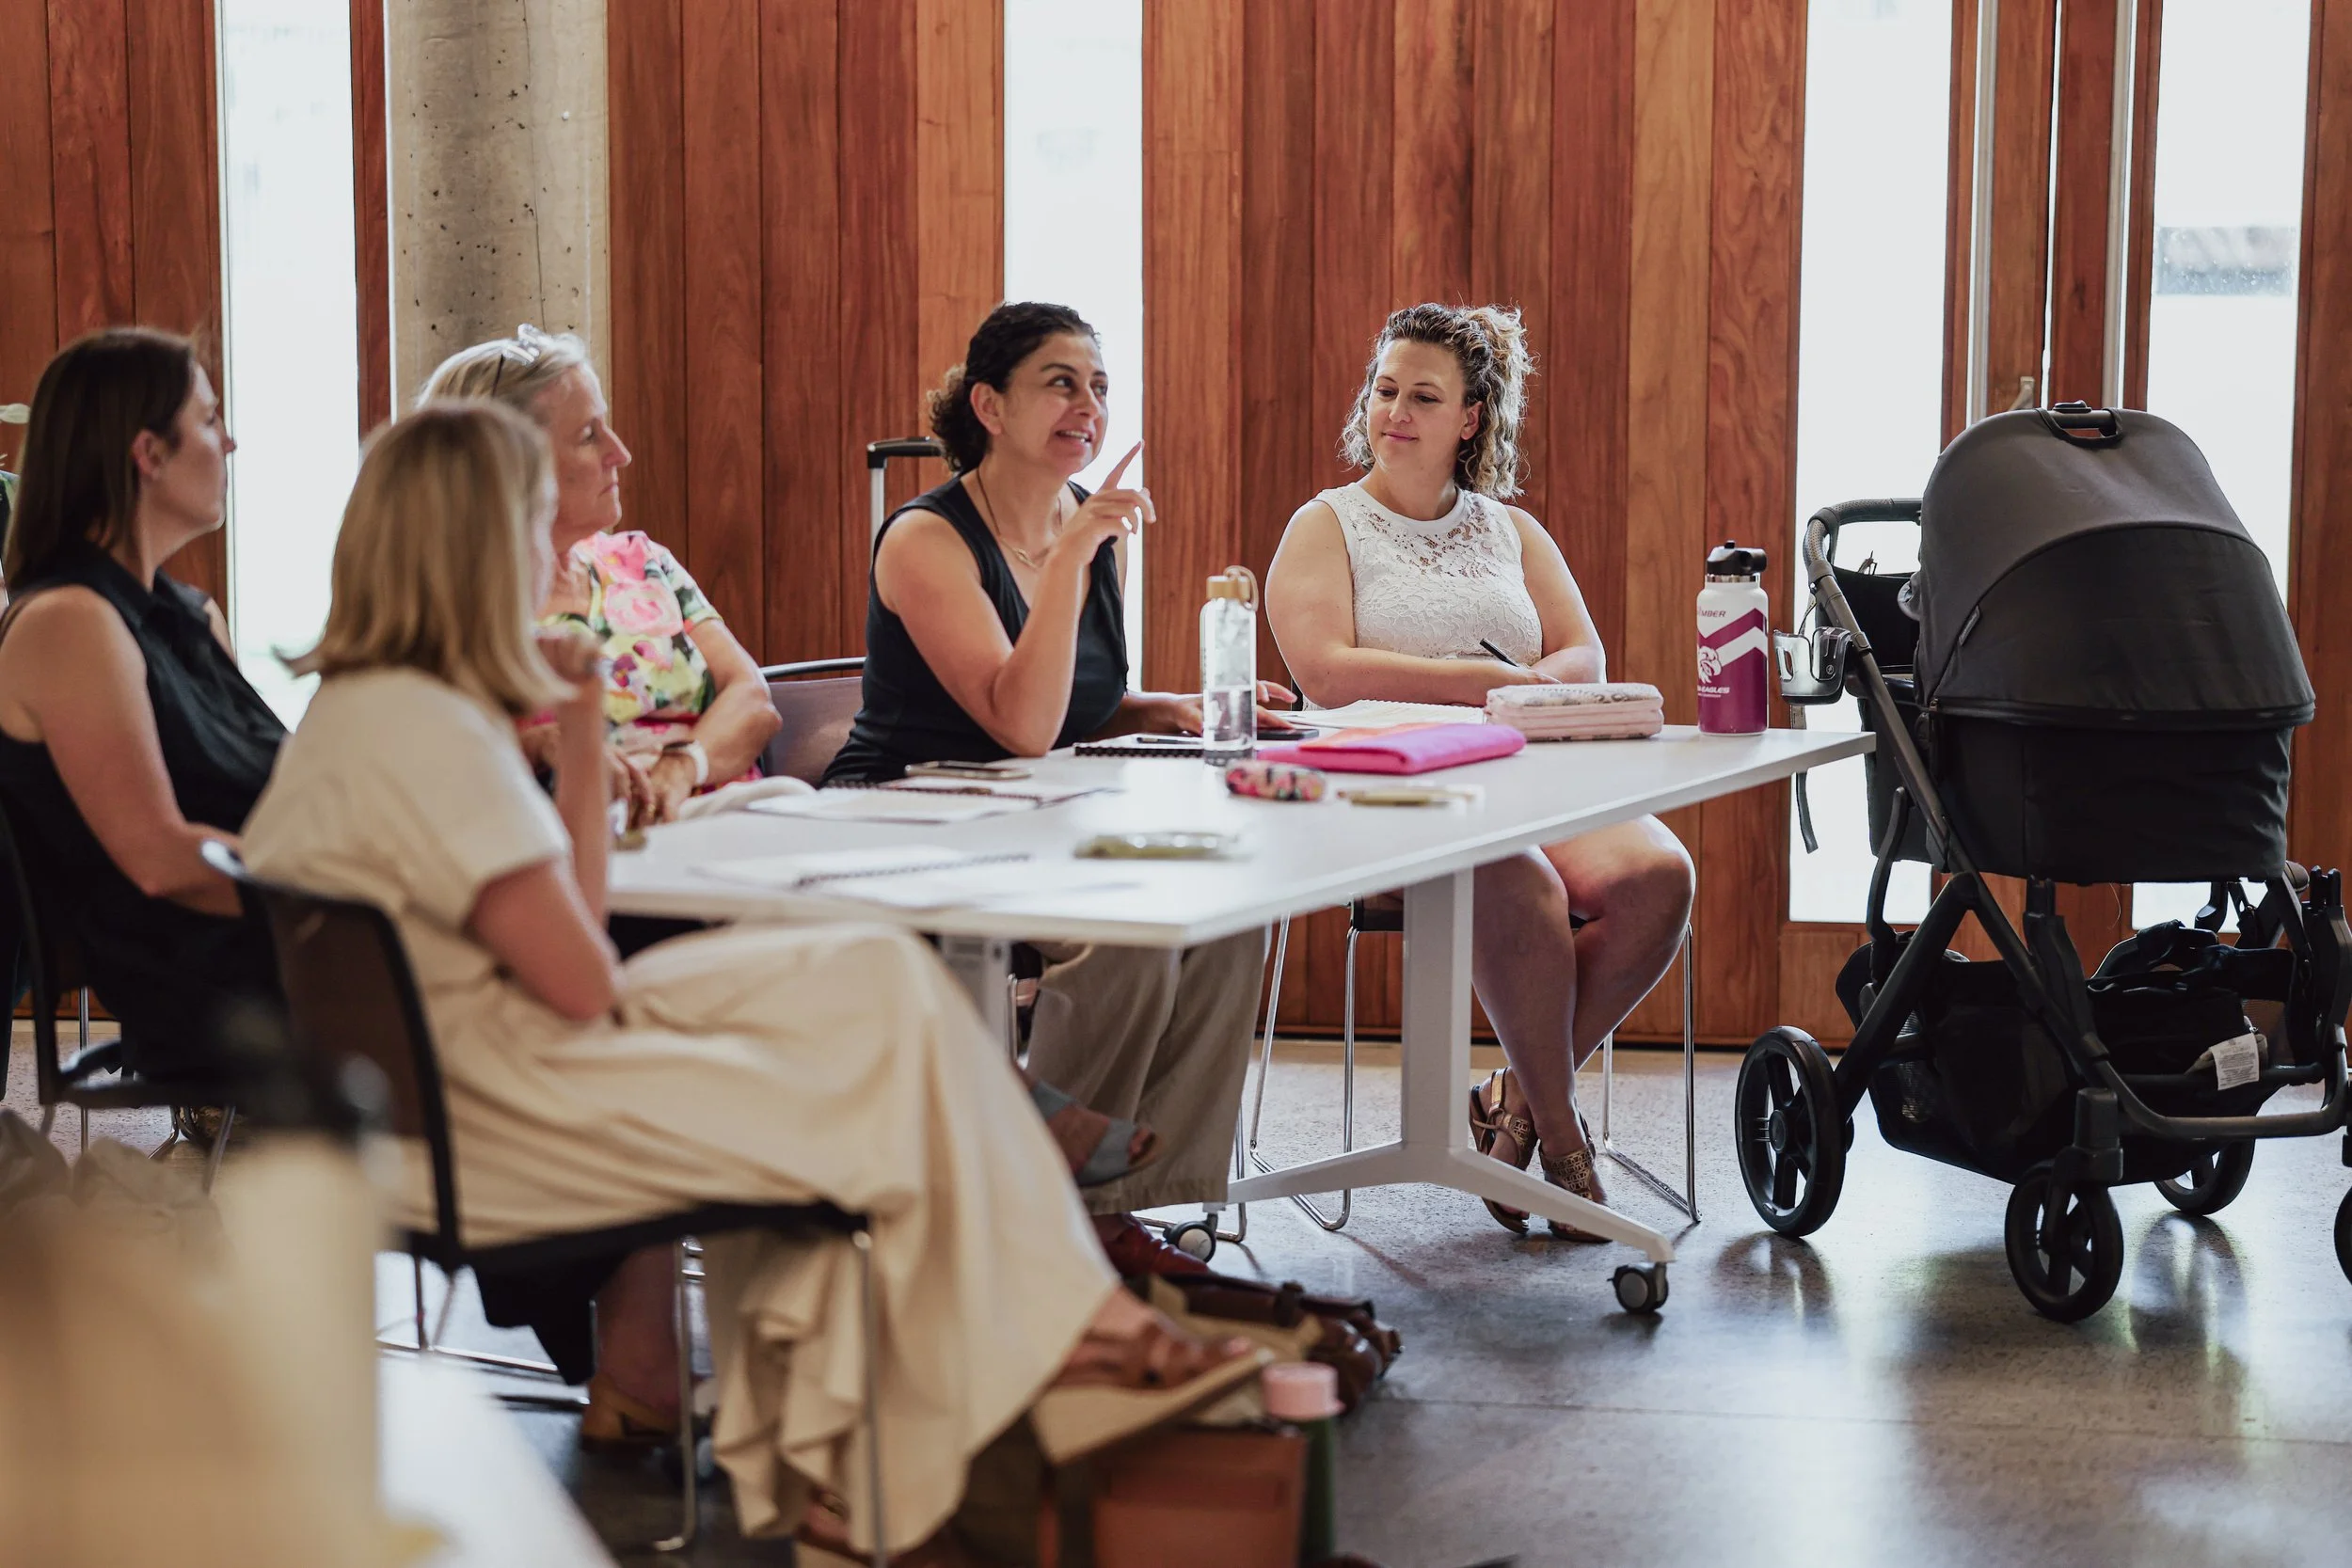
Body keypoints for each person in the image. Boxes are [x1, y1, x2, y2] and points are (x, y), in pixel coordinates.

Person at [241, 402, 1258, 1561]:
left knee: (875, 972)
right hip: (502, 1108)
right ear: (474, 542)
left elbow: (564, 926)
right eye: (533, 521)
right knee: (865, 1092)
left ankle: (957, 1410)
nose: (550, 552)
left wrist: (579, 722)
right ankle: (1007, 1382)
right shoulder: (428, 732)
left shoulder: (387, 708)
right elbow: (579, 977)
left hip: (486, 1060)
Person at [823, 301, 1278, 1275]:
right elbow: (1016, 720)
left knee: (1233, 912)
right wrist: (1075, 558)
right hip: (911, 814)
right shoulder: (925, 538)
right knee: (1123, 934)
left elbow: (1075, 702)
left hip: (1033, 811)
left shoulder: (1080, 524)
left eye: (1100, 386)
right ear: (989, 405)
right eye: (1060, 382)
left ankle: (1131, 1205)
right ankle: (1046, 1197)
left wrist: (1166, 708)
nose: (1088, 404)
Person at [1263, 302, 1694, 1239]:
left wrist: (1533, 684)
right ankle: (1565, 1142)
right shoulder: (1324, 524)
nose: (1395, 412)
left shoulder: (1510, 530)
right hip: (1391, 781)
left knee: (1658, 877)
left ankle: (1517, 1103)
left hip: (1525, 765)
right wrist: (1482, 681)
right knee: (1525, 886)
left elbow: (1584, 651)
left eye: (1423, 396)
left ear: (1469, 418)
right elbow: (1326, 670)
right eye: (1384, 390)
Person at [0, 328, 282, 1080]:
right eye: (211, 420)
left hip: (286, 935)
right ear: (148, 454)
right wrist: (359, 890)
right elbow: (158, 858)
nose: (231, 443)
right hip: (218, 980)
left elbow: (280, 778)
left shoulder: (190, 612)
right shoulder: (70, 621)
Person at [420, 325, 779, 829]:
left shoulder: (643, 560)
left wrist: (681, 768)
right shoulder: (449, 606)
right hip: (587, 840)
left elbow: (753, 700)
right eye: (589, 436)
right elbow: (434, 766)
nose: (620, 453)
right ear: (510, 465)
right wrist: (537, 747)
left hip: (728, 814)